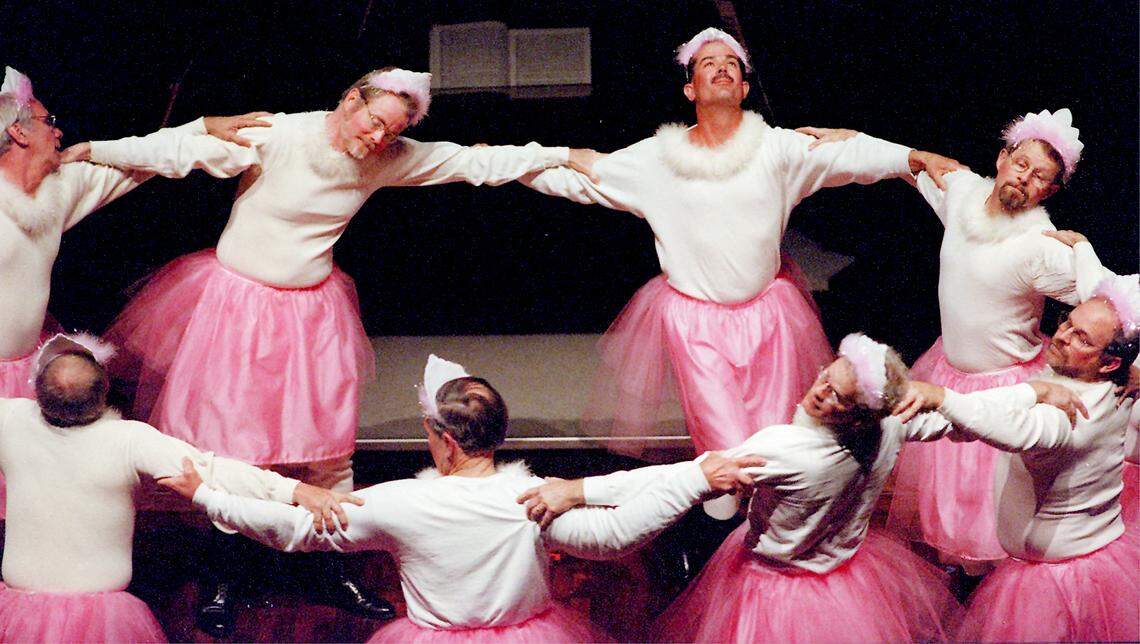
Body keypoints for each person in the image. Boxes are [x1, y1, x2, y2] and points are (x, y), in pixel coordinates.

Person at [66, 67, 597, 631]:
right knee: (230, 443)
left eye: (390, 133)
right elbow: (179, 152)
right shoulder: (280, 134)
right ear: (350, 99)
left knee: (325, 449)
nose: (376, 140)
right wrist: (95, 147)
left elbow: (473, 162)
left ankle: (330, 569)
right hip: (236, 309)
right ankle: (224, 575)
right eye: (373, 123)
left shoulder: (389, 156)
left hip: (312, 313)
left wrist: (563, 152)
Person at [519, 28, 963, 463]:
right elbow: (577, 178)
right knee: (726, 444)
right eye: (709, 64)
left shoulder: (776, 148)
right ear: (690, 89)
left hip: (771, 313)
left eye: (731, 64)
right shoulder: (655, 159)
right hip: (695, 325)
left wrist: (912, 157)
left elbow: (849, 157)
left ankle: (765, 526)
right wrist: (517, 159)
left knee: (773, 438)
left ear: (745, 86)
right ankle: (732, 515)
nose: (722, 69)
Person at [156, 354, 764, 642]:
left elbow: (290, 529)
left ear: (445, 442)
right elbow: (612, 535)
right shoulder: (534, 499)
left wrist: (208, 495)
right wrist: (695, 477)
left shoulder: (397, 504)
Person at [0, 65, 261, 519]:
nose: (58, 131)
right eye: (48, 122)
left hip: (23, 376)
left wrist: (201, 126)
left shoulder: (60, 188)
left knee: (29, 499)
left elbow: (142, 161)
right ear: (18, 133)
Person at [0, 333, 355, 642]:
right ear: (105, 392)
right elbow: (214, 471)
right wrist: (296, 490)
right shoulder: (130, 440)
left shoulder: (11, 421)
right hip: (100, 613)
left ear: (37, 394)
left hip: (17, 612)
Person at [886, 108, 1122, 571]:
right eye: (1021, 164)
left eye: (1039, 178)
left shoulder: (1039, 245)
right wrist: (890, 150)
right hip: (949, 371)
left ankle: (993, 590)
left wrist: (1084, 253)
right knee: (949, 508)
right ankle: (963, 575)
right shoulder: (964, 193)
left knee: (991, 515)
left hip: (1008, 388)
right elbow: (915, 170)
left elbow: (1111, 298)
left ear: (1049, 191)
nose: (1024, 178)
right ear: (1001, 158)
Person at [897, 276, 1140, 642]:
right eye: (1067, 322)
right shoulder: (1107, 383)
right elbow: (971, 421)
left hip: (1060, 583)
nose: (1060, 336)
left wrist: (943, 397)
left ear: (1108, 362)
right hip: (1086, 558)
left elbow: (1015, 429)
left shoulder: (1075, 415)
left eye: (1081, 338)